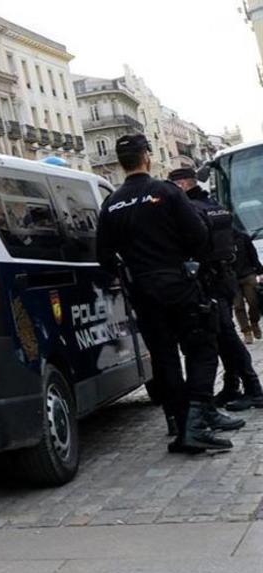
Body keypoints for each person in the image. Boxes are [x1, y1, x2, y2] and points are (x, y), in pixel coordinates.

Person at [96, 134, 240, 455]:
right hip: (177, 283)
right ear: (147, 157)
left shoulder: (111, 204)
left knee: (165, 359)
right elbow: (199, 236)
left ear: (121, 163)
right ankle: (197, 421)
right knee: (203, 347)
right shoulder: (166, 191)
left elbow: (104, 257)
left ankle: (179, 423)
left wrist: (130, 272)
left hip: (142, 292)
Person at [170, 167, 263, 412]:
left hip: (209, 280)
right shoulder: (215, 206)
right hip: (224, 277)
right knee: (222, 335)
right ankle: (232, 386)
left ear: (182, 185)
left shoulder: (191, 209)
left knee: (226, 336)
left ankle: (254, 388)